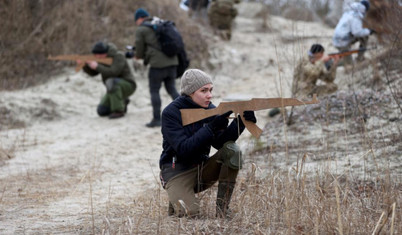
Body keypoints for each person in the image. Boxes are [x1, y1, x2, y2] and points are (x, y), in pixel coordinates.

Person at [159, 69, 257, 218]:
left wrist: (241, 122)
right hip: (176, 171)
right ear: (190, 92)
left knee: (232, 150)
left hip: (202, 169)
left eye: (210, 90)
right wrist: (211, 127)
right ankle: (177, 198)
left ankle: (223, 210)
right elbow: (183, 149)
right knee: (190, 213)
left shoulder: (210, 109)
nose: (209, 95)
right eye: (203, 91)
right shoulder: (171, 113)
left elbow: (221, 144)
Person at [134, 8, 180, 127]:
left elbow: (139, 50)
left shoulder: (141, 29)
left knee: (154, 91)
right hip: (172, 62)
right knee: (172, 89)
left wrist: (137, 56)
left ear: (140, 18)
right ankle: (185, 113)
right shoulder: (160, 24)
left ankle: (156, 119)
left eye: (136, 21)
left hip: (157, 65)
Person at [82, 41, 137, 119]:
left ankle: (118, 111)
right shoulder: (101, 59)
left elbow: (113, 72)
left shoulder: (118, 56)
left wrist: (97, 66)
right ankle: (123, 102)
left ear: (102, 53)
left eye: (96, 55)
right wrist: (84, 65)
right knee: (102, 110)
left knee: (112, 81)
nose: (95, 56)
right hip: (113, 88)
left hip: (129, 85)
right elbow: (93, 73)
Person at [332, 0, 374, 64]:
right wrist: (369, 31)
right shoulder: (356, 16)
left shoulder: (349, 12)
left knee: (364, 37)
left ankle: (359, 58)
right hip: (342, 42)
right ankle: (334, 62)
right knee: (350, 66)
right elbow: (357, 32)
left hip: (337, 39)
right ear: (365, 9)